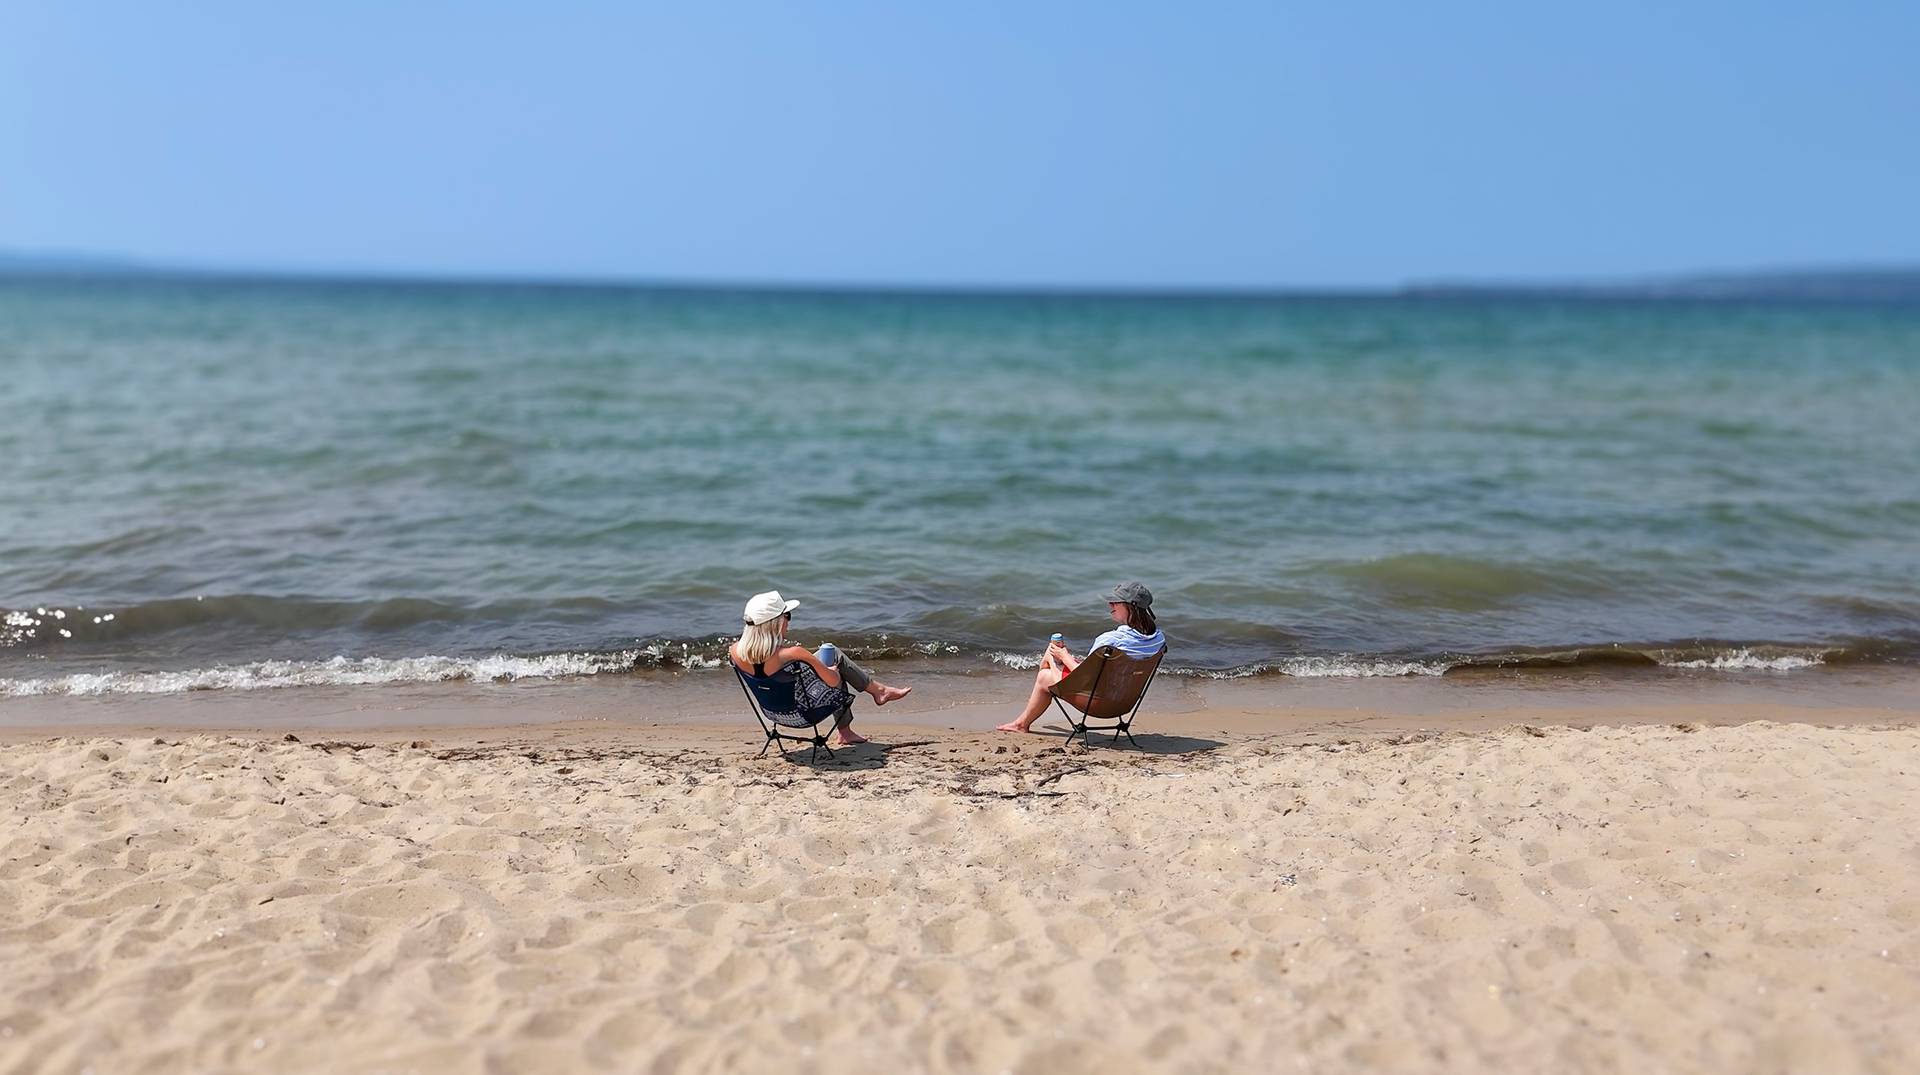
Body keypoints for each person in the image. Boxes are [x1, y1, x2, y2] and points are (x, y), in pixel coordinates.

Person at [729, 590, 911, 746]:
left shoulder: (734, 652)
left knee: (827, 655)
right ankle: (861, 712)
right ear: (774, 622)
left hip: (773, 713)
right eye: (787, 616)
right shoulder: (793, 654)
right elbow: (834, 682)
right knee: (834, 655)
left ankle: (879, 692)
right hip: (804, 714)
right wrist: (831, 670)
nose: (789, 622)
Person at [997, 581, 1165, 734]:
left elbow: (1085, 677)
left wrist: (1063, 655)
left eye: (1115, 602)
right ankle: (1025, 717)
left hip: (1098, 704)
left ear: (1131, 607)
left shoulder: (1110, 641)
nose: (1110, 604)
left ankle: (1022, 722)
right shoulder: (1158, 639)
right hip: (1123, 703)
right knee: (1055, 659)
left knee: (1046, 669)